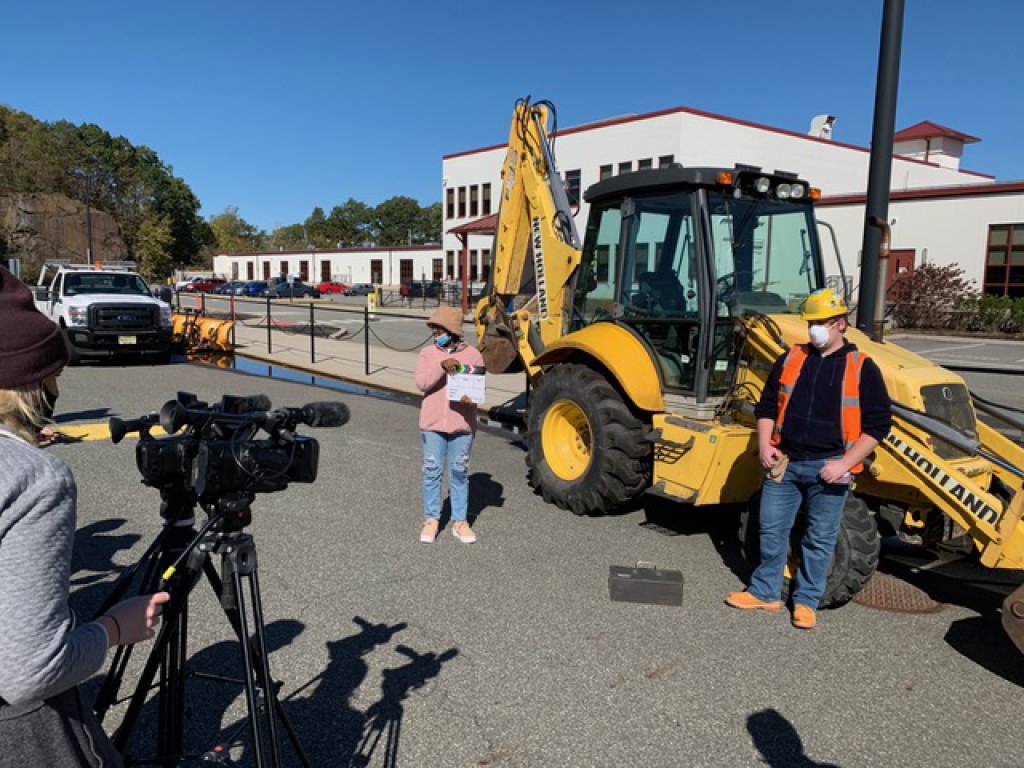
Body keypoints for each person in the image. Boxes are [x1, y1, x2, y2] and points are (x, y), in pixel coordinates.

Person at [0, 266, 170, 767]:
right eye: (53, 372)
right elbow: (31, 670)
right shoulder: (35, 480)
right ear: (28, 380)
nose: (58, 386)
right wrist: (116, 628)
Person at [725, 288, 891, 629]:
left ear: (841, 324)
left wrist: (844, 464)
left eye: (823, 323)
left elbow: (877, 426)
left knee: (819, 537)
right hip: (784, 461)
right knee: (770, 529)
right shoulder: (791, 358)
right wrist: (765, 444)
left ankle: (806, 602)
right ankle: (765, 592)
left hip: (828, 467)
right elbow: (768, 405)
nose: (815, 329)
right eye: (812, 322)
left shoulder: (861, 367)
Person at [414, 306, 484, 544]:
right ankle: (431, 519)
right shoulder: (427, 353)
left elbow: (477, 390)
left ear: (452, 331)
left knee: (459, 472)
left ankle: (460, 521)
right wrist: (441, 366)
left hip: (462, 425)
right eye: (434, 329)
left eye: (439, 328)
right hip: (432, 424)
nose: (435, 332)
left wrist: (470, 398)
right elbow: (422, 384)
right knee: (432, 471)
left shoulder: (473, 355)